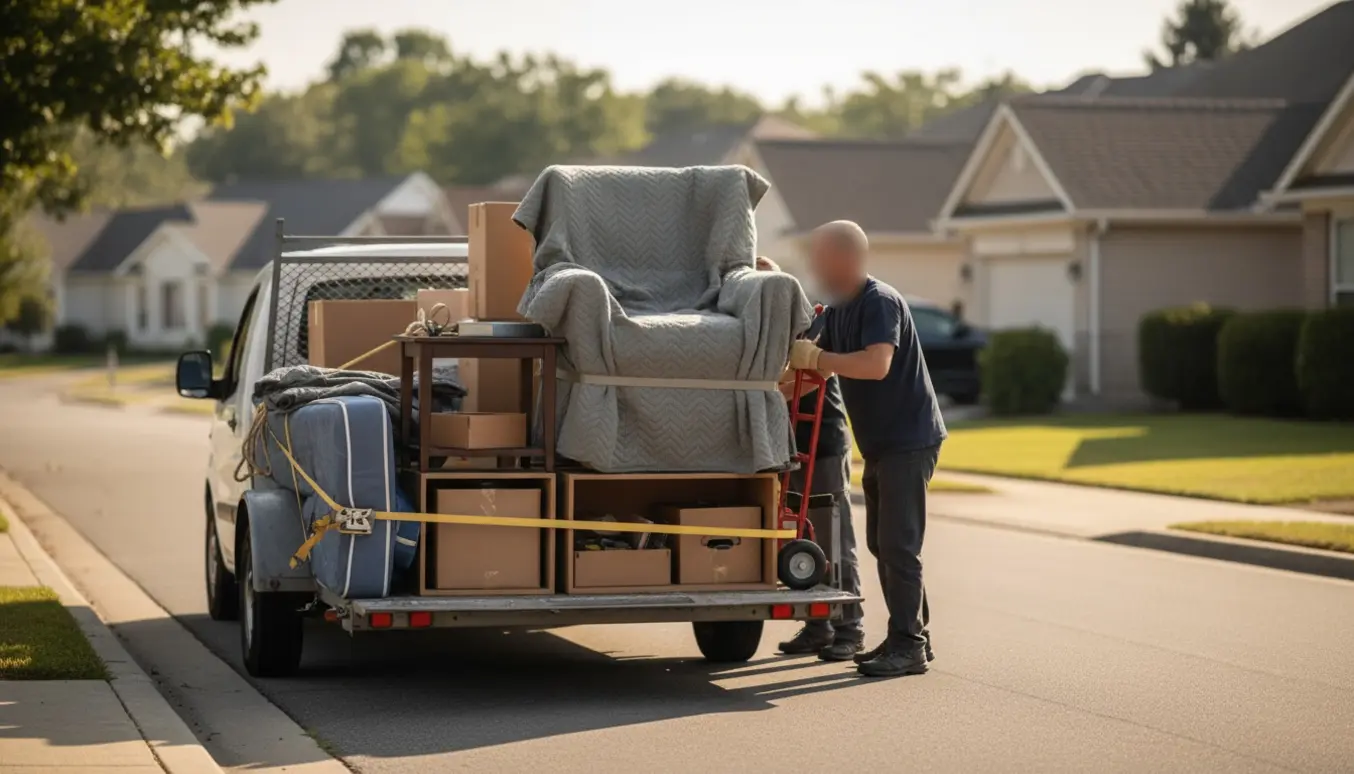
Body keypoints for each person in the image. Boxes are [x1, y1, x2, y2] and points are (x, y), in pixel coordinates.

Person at [788, 221, 946, 678]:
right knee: (884, 543)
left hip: (909, 441)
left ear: (844, 258)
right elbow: (811, 372)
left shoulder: (879, 302)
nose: (814, 265)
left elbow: (876, 365)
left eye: (820, 256)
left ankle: (908, 645)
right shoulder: (838, 310)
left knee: (898, 546)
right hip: (881, 445)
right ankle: (912, 635)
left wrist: (817, 359)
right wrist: (766, 392)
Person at [755, 256, 864, 662]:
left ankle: (851, 628)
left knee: (834, 539)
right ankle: (819, 626)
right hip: (788, 447)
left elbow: (812, 378)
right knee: (804, 540)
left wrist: (760, 398)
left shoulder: (811, 325)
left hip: (824, 444)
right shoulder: (763, 329)